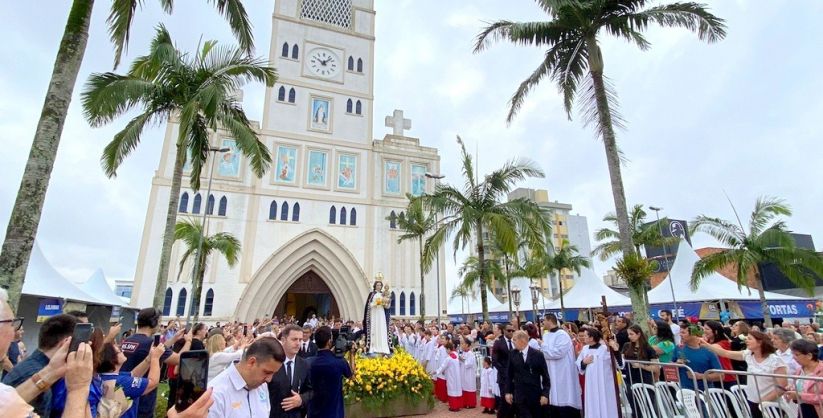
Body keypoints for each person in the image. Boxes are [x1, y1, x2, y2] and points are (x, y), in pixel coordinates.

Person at [120, 307, 192, 418]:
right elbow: (179, 359)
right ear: (153, 322)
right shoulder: (149, 343)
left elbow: (159, 350)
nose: (159, 325)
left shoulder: (128, 340)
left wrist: (174, 339)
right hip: (143, 398)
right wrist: (188, 341)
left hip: (124, 393)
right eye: (159, 321)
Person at [2, 313, 77, 416]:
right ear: (67, 343)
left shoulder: (35, 368)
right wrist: (80, 388)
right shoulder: (32, 374)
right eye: (12, 325)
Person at [700, 329, 787, 418]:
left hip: (771, 403)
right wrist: (707, 345)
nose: (746, 340)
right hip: (753, 401)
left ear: (760, 342)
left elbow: (782, 387)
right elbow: (726, 353)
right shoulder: (748, 355)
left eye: (749, 339)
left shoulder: (775, 361)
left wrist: (764, 401)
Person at [208, 337, 285, 418]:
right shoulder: (215, 393)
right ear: (251, 362)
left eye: (273, 374)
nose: (269, 379)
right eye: (267, 372)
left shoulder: (261, 385)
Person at [96, 341, 165, 418]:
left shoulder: (107, 376)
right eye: (120, 351)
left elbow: (133, 374)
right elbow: (153, 382)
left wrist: (149, 358)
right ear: (112, 359)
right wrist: (155, 358)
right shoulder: (121, 382)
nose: (123, 351)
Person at [268, 324, 313, 418]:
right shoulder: (271, 362)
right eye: (294, 339)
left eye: (300, 340)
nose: (298, 343)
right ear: (283, 340)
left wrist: (301, 399)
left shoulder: (304, 364)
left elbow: (311, 391)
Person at [540, 314, 581, 418]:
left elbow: (558, 353)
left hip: (563, 372)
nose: (542, 323)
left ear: (550, 320)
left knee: (564, 400)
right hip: (550, 371)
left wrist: (542, 346)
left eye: (544, 320)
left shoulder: (562, 335)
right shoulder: (546, 335)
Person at [306, 326, 351, 418]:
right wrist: (352, 354)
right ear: (329, 342)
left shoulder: (308, 362)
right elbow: (350, 375)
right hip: (334, 413)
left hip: (314, 412)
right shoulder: (339, 362)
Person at [576, 328, 621, 418]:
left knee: (605, 404)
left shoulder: (605, 349)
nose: (583, 337)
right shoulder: (585, 349)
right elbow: (579, 365)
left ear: (591, 338)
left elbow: (618, 363)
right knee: (592, 403)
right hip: (591, 385)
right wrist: (584, 362)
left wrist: (615, 350)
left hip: (604, 384)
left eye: (585, 335)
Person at [505, 330, 550, 418]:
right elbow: (509, 375)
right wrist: (508, 392)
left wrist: (545, 394)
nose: (512, 342)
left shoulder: (538, 355)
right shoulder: (512, 354)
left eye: (514, 340)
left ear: (522, 340)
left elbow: (546, 377)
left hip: (535, 396)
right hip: (519, 395)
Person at [620, 325, 659, 418]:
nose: (629, 336)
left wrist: (641, 366)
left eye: (631, 334)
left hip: (645, 380)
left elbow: (655, 367)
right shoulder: (626, 346)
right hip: (630, 380)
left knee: (647, 407)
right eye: (628, 334)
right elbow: (621, 360)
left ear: (638, 334)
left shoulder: (648, 348)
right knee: (634, 407)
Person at [784, 339, 823, 418]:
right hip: (803, 410)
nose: (794, 358)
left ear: (809, 356)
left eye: (797, 355)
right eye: (793, 354)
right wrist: (791, 389)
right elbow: (800, 388)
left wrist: (801, 396)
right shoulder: (799, 370)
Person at [703, 320, 738, 390]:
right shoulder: (707, 342)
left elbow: (714, 348)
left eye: (707, 329)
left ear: (715, 331)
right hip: (713, 377)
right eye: (703, 329)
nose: (704, 331)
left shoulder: (724, 342)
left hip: (726, 378)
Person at [492, 323, 515, 418]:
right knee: (504, 400)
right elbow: (495, 361)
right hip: (503, 377)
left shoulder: (515, 341)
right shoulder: (498, 342)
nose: (511, 332)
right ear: (504, 331)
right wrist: (505, 372)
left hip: (515, 377)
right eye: (509, 330)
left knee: (514, 400)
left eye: (512, 330)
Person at [362, 280, 391, 355]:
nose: (379, 286)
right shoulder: (372, 294)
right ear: (375, 286)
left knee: (382, 328)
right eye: (377, 285)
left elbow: (386, 307)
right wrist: (376, 303)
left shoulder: (383, 294)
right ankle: (374, 346)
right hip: (374, 314)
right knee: (375, 329)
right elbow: (369, 305)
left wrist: (386, 303)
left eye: (380, 285)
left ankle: (383, 347)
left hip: (381, 314)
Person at [436, 340, 463, 412]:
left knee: (452, 391)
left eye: (446, 349)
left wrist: (436, 372)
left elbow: (442, 367)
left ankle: (454, 407)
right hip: (457, 377)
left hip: (451, 377)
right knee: (457, 391)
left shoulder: (448, 358)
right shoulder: (456, 355)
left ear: (448, 349)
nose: (446, 351)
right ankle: (458, 405)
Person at [458, 336, 476, 409]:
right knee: (464, 387)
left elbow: (469, 364)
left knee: (469, 387)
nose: (461, 345)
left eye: (463, 344)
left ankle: (471, 403)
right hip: (463, 373)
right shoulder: (463, 353)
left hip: (469, 374)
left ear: (467, 345)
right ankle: (464, 402)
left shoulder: (470, 354)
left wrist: (462, 360)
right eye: (461, 344)